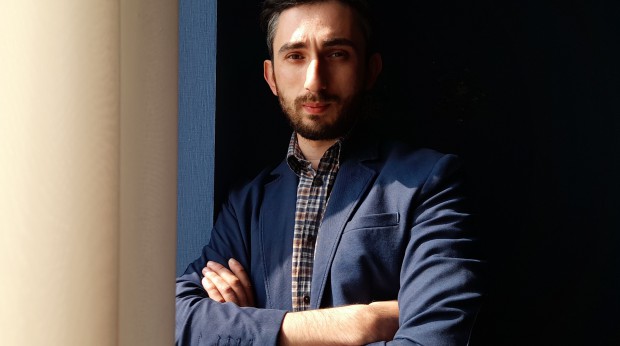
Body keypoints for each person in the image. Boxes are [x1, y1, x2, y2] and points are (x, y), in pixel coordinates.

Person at [176, 0, 483, 344]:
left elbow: (433, 339)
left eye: (337, 54)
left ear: (370, 70)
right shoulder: (246, 204)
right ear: (271, 76)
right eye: (295, 56)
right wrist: (355, 323)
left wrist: (251, 331)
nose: (314, 80)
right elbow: (174, 318)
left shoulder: (431, 181)